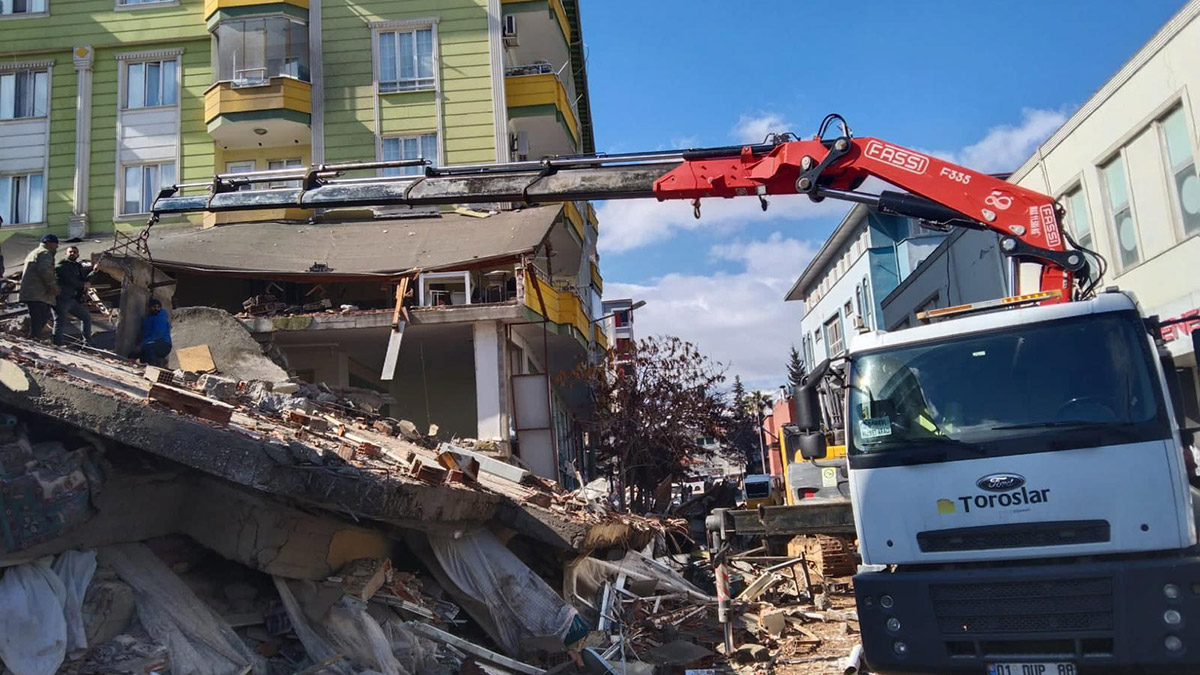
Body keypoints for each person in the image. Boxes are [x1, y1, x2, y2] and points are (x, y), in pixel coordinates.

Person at [19, 234, 59, 340]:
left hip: (32, 292)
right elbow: (45, 270)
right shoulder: (45, 253)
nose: (57, 247)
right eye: (56, 244)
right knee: (40, 318)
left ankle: (33, 337)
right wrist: (52, 286)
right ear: (49, 243)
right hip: (39, 292)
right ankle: (34, 338)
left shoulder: (34, 252)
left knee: (37, 317)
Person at [54, 246, 94, 346]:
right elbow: (70, 280)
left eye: (75, 252)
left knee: (86, 318)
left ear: (78, 255)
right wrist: (83, 284)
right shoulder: (61, 265)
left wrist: (94, 272)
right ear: (66, 253)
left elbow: (84, 280)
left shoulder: (77, 266)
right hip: (61, 298)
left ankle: (87, 343)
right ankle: (57, 344)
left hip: (71, 299)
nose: (72, 253)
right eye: (70, 252)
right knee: (59, 321)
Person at [133, 298, 172, 366]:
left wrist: (142, 344)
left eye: (158, 307)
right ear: (149, 308)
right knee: (136, 354)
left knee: (148, 349)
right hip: (152, 343)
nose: (156, 309)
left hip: (163, 343)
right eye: (154, 307)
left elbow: (158, 334)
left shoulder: (160, 318)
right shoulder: (148, 319)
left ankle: (154, 367)